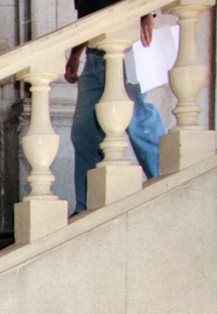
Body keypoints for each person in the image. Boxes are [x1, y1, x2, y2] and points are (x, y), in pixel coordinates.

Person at [67, 2, 166, 212]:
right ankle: (86, 205)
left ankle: (166, 180)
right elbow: (87, 15)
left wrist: (148, 12)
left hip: (125, 47)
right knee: (84, 132)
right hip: (94, 56)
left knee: (137, 120)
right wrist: (76, 54)